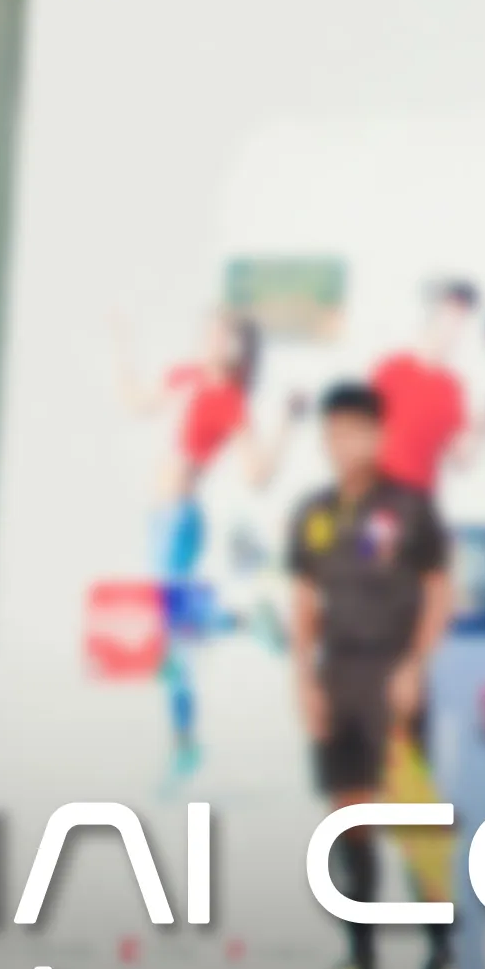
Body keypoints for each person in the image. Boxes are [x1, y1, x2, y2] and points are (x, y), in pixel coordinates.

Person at [288, 383, 454, 969]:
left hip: (393, 672)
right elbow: (304, 600)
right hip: (339, 674)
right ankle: (361, 962)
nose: (343, 444)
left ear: (379, 436)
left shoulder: (409, 508)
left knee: (415, 821)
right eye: (333, 433)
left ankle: (442, 958)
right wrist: (305, 679)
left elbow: (438, 591)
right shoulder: (314, 514)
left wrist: (416, 664)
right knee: (349, 818)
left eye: (355, 431)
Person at [114, 306, 294, 786]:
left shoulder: (229, 399)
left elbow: (256, 476)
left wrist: (285, 425)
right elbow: (138, 403)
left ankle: (187, 742)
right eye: (209, 331)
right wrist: (121, 343)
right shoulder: (187, 376)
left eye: (222, 335)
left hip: (180, 521)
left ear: (236, 350)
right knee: (177, 638)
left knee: (174, 638)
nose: (211, 339)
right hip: (159, 520)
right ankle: (187, 739)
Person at [372, 280, 485, 496]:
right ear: (432, 315)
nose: (455, 328)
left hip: (420, 497)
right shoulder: (391, 369)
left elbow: (462, 460)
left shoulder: (452, 388)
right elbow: (361, 433)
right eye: (450, 316)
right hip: (381, 489)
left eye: (462, 321)